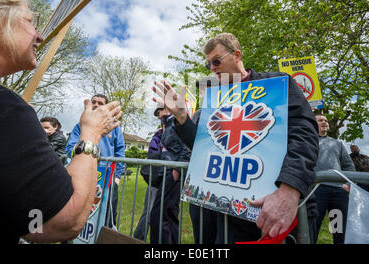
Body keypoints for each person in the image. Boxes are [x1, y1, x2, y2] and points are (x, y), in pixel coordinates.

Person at [0, 0, 122, 244]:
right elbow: (63, 221)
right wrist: (91, 135)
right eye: (31, 21)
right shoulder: (0, 109)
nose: (39, 36)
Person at [152, 32, 319, 244]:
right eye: (208, 65)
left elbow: (304, 134)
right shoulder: (215, 99)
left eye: (216, 61)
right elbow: (203, 147)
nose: (212, 68)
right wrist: (182, 117)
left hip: (263, 207)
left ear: (237, 55)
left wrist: (290, 188)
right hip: (215, 211)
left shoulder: (277, 84)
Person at [66, 94, 126, 228]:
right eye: (93, 102)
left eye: (100, 103)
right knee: (78, 211)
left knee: (107, 215)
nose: (96, 105)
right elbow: (69, 148)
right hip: (83, 175)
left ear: (105, 107)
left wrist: (117, 176)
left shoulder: (115, 127)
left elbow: (120, 151)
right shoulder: (80, 126)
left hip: (107, 177)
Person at [149, 107, 191, 244]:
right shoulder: (167, 125)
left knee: (158, 215)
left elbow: (188, 145)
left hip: (173, 173)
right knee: (170, 214)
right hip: (166, 172)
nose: (158, 114)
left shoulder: (176, 121)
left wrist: (176, 170)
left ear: (166, 109)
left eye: (160, 111)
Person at [314, 114, 355, 244]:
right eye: (320, 120)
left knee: (338, 228)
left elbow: (348, 165)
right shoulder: (306, 142)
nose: (325, 122)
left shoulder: (337, 143)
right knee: (313, 226)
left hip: (338, 192)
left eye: (326, 120)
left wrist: (349, 184)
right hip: (316, 191)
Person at [133, 107, 163, 241]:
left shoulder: (179, 132)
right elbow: (153, 155)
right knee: (149, 211)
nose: (160, 115)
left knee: (168, 214)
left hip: (173, 180)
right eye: (159, 114)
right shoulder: (157, 136)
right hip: (156, 180)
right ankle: (138, 238)